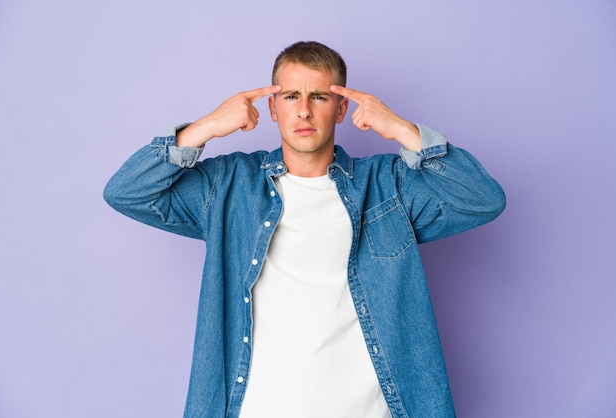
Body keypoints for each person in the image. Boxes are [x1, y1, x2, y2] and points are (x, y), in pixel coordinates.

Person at [104, 41, 505, 418]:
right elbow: (127, 192)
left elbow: (483, 199)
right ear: (274, 108)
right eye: (291, 96)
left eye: (320, 96)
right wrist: (205, 128)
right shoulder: (229, 185)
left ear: (341, 108)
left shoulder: (386, 185)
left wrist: (404, 131)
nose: (304, 111)